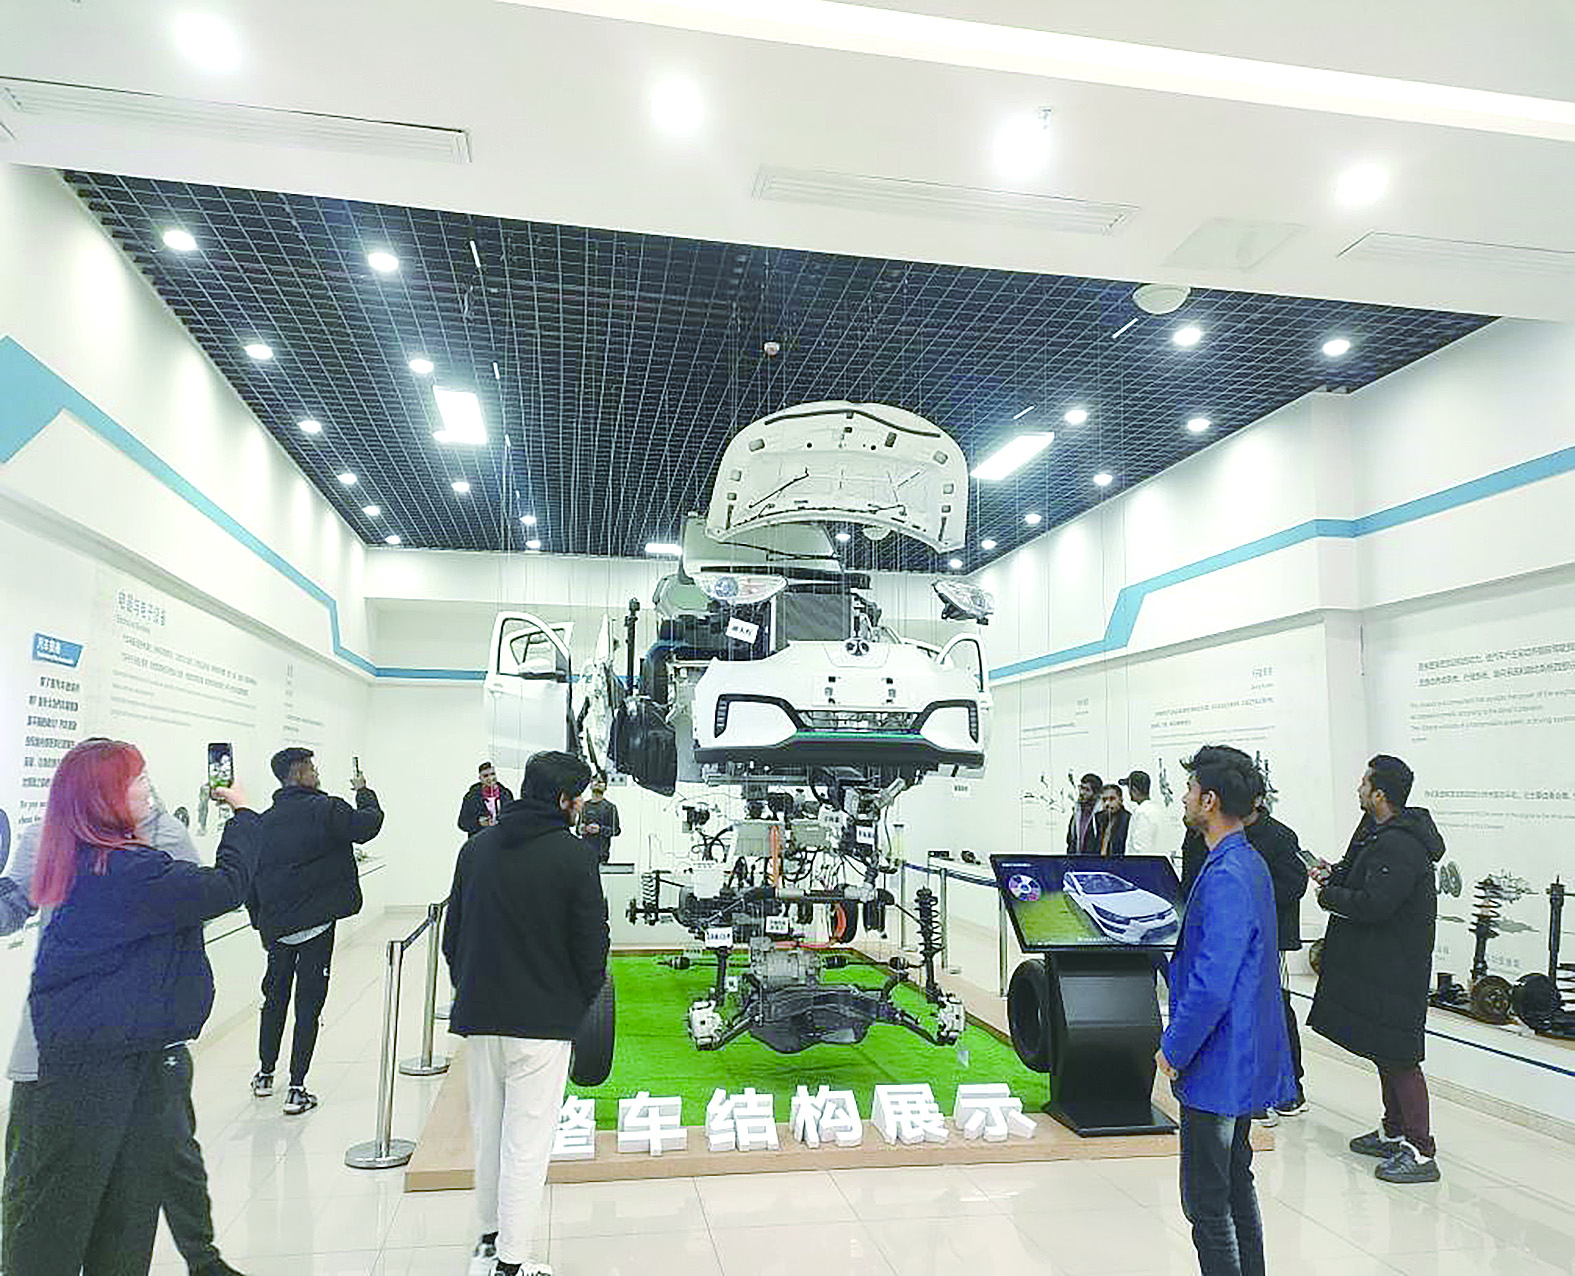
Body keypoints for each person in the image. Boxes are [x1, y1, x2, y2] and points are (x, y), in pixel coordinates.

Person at [1, 739, 259, 1276]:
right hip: (92, 1060)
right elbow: (221, 888)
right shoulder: (111, 865)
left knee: (128, 1197)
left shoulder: (111, 853)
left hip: (134, 1047)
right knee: (60, 1205)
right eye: (136, 780)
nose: (148, 789)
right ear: (106, 797)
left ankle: (199, 1258)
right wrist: (244, 814)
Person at [444, 751, 610, 1276]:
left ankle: (490, 1241)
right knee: (527, 1145)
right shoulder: (575, 857)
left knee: (489, 1133)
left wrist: (471, 989)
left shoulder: (475, 849)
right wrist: (577, 1002)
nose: (581, 805)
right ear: (562, 800)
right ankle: (512, 1264)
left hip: (480, 1016)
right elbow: (592, 947)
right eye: (577, 796)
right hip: (542, 1024)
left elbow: (452, 937)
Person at [1157, 745, 1294, 1276]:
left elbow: (1213, 984)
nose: (1185, 799)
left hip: (1219, 1060)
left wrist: (1173, 1049)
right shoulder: (1244, 863)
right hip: (1235, 1055)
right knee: (1234, 1183)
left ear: (1210, 800)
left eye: (1190, 790)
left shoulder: (1229, 875)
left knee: (1207, 1201)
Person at [1308, 754, 1445, 1185]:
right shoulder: (1376, 833)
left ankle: (1420, 1151)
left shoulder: (1400, 845)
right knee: (1384, 1050)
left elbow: (1376, 903)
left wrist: (1329, 897)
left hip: (1397, 967)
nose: (1359, 788)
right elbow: (1364, 881)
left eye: (1364, 783)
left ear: (1380, 794)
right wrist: (1334, 875)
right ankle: (1395, 1130)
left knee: (1401, 1056)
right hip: (1379, 963)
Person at [247, 747, 383, 1115]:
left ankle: (264, 1074)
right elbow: (368, 826)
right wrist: (364, 792)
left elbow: (251, 878)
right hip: (316, 924)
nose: (316, 772)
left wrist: (261, 922)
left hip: (278, 928)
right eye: (311, 767)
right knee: (308, 1004)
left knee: (274, 999)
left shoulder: (263, 822)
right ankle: (296, 1087)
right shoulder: (327, 809)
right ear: (298, 773)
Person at [1242, 787, 1310, 1121]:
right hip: (1236, 935)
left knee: (1276, 1009)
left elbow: (1295, 885)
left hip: (1269, 939)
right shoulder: (1221, 833)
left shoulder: (1280, 836)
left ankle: (1290, 1089)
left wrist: (1253, 895)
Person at [459, 761, 514, 837]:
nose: (490, 778)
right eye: (486, 776)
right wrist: (478, 823)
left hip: (502, 838)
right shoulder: (471, 797)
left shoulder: (506, 794)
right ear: (480, 778)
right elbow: (462, 823)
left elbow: (513, 818)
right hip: (480, 839)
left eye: (492, 774)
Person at [576, 776, 622, 863]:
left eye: (600, 781)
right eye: (594, 781)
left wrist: (600, 829)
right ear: (590, 785)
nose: (597, 783)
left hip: (602, 854)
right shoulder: (584, 806)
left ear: (606, 787)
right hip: (584, 852)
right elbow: (577, 830)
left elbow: (616, 830)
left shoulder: (610, 807)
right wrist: (582, 829)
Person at [1120, 770, 1162, 858]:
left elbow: (1140, 848)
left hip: (1141, 864)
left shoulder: (1141, 812)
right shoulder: (1157, 810)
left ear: (1134, 790)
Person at [1065, 772, 1103, 855]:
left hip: (1094, 860)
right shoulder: (1077, 810)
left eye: (1087, 790)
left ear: (1096, 793)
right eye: (1081, 788)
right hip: (1077, 859)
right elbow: (1071, 839)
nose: (1082, 792)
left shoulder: (1101, 813)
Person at [1096, 783, 1129, 856]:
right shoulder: (1097, 819)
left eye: (1112, 799)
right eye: (1104, 800)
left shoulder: (1128, 819)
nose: (1107, 803)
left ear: (1121, 800)